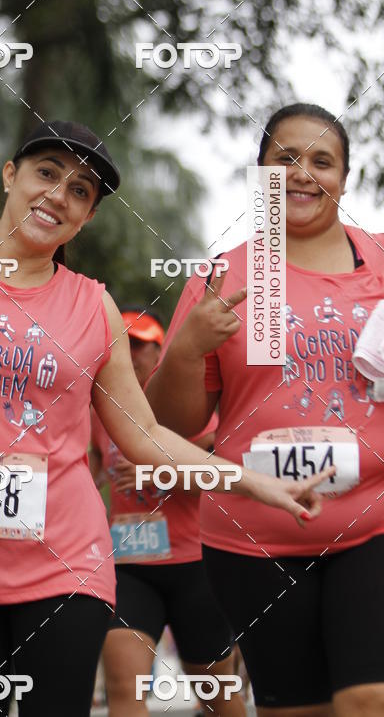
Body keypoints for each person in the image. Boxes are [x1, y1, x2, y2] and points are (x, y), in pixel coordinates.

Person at [0, 120, 332, 717]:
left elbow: (144, 437)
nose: (58, 195)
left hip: (64, 566)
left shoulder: (92, 307)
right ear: (10, 176)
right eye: (47, 173)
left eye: (80, 191)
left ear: (86, 217)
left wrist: (251, 480)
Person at [147, 103, 384, 717]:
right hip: (254, 541)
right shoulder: (222, 277)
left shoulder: (381, 265)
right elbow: (172, 425)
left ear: (344, 179)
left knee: (366, 698)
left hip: (372, 523)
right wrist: (184, 353)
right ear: (261, 174)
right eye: (286, 158)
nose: (303, 173)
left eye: (322, 161)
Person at [90, 308, 245, 717]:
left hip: (196, 564)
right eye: (124, 343)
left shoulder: (186, 406)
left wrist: (154, 466)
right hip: (130, 565)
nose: (132, 353)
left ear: (160, 351)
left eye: (142, 344)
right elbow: (86, 475)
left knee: (216, 694)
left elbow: (221, 476)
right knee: (125, 687)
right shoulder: (97, 409)